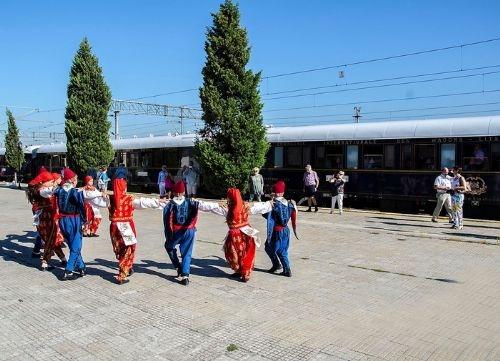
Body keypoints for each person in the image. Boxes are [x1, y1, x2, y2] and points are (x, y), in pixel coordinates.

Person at [41, 167, 104, 280]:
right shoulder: (75, 192)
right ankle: (69, 271)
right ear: (71, 180)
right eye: (75, 179)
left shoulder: (58, 190)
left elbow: (43, 192)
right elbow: (89, 195)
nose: (76, 181)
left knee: (72, 244)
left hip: (62, 221)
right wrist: (100, 194)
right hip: (73, 220)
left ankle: (81, 267)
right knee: (76, 246)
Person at [203, 188, 272, 282]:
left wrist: (196, 203)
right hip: (247, 234)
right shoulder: (246, 206)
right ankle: (244, 273)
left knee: (234, 254)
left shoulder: (228, 208)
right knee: (245, 254)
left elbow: (211, 207)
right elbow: (260, 207)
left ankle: (241, 271)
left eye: (228, 197)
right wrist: (271, 203)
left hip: (236, 236)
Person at [162, 181, 224, 286]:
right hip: (189, 231)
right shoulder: (191, 201)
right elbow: (205, 205)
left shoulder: (169, 204)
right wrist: (217, 205)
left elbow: (156, 207)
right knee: (187, 253)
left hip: (176, 232)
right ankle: (185, 276)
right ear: (183, 192)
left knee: (169, 246)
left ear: (174, 192)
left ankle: (178, 267)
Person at [108, 176, 166, 284]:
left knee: (121, 249)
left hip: (114, 227)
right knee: (128, 249)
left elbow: (91, 198)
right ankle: (122, 275)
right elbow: (143, 202)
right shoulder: (129, 198)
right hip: (125, 226)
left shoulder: (109, 198)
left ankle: (128, 268)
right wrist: (158, 202)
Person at [27, 171, 67, 271]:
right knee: (51, 239)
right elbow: (49, 191)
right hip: (47, 218)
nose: (52, 182)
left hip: (47, 218)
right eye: (50, 181)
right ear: (43, 182)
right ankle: (44, 261)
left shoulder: (41, 189)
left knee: (53, 240)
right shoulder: (41, 190)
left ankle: (63, 259)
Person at [264, 181, 298, 277]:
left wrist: (270, 203)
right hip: (285, 230)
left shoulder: (274, 204)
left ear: (275, 193)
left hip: (276, 231)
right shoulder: (290, 203)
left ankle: (280, 267)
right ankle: (282, 267)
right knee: (279, 249)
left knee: (272, 248)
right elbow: (294, 216)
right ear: (282, 193)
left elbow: (266, 215)